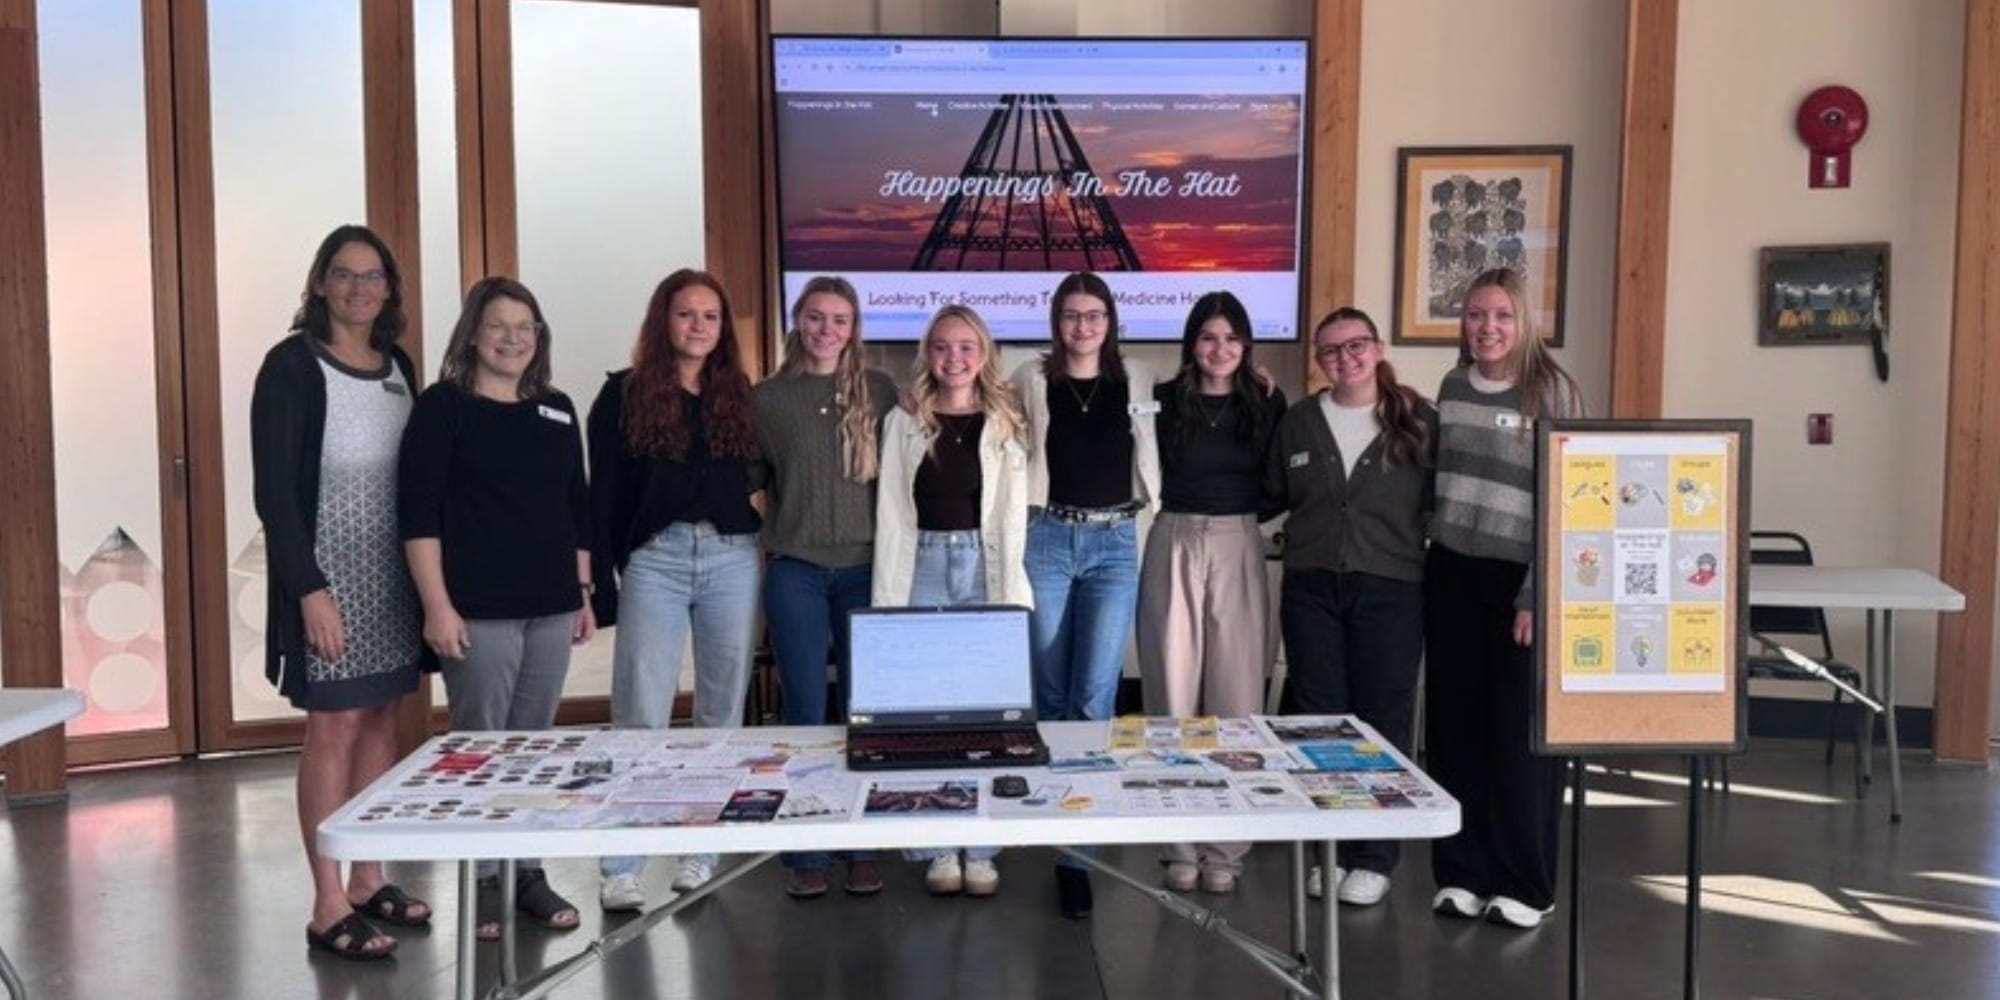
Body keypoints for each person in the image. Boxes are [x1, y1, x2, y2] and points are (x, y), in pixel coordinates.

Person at [251, 224, 430, 961]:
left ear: (389, 289)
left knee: (384, 717)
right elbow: (275, 496)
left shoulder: (399, 365)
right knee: (334, 726)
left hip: (393, 577)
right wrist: (310, 590)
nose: (360, 288)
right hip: (327, 579)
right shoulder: (292, 367)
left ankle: (367, 877)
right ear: (321, 283)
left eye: (373, 276)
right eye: (345, 274)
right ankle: (327, 904)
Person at [398, 276, 592, 939]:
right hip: (477, 610)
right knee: (481, 749)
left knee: (531, 749)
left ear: (539, 338)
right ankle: (482, 883)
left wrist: (583, 594)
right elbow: (418, 516)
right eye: (499, 325)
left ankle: (526, 875)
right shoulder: (443, 408)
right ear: (473, 335)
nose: (513, 338)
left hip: (550, 607)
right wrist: (437, 608)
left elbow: (576, 508)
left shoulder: (559, 409)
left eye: (525, 326)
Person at [588, 269, 763, 912]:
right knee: (640, 714)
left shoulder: (739, 394)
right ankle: (622, 865)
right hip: (654, 562)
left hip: (731, 560)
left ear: (722, 329)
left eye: (711, 317)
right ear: (664, 320)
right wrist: (602, 584)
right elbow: (601, 493)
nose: (698, 326)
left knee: (720, 714)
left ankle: (700, 852)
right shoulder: (624, 395)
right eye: (686, 314)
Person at [1425, 267, 1583, 929]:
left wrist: (1534, 595)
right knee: (1455, 731)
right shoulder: (1452, 386)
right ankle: (1462, 873)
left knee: (1516, 739)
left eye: (1501, 316)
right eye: (1475, 315)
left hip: (1516, 583)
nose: (1486, 328)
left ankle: (1526, 881)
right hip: (1452, 574)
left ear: (1523, 322)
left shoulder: (1553, 392)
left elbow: (1568, 502)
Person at [1269, 307, 1435, 907]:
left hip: (1391, 588)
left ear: (1379, 347)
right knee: (1320, 721)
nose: (1346, 358)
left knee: (1383, 719)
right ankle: (1330, 849)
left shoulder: (1417, 420)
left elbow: (1442, 500)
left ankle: (1375, 854)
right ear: (1320, 361)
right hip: (1312, 588)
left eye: (1356, 345)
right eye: (1331, 351)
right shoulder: (1299, 423)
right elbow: (1272, 494)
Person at [1011, 271, 1161, 918]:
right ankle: (1051, 818)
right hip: (1046, 537)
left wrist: (1261, 382)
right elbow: (972, 403)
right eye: (1071, 316)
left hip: (1114, 544)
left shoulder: (1141, 380)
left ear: (1111, 320)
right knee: (1047, 687)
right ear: (1056, 321)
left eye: (1093, 315)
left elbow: (1216, 384)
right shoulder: (1028, 379)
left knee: (1095, 693)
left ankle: (1079, 853)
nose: (1082, 326)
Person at [875, 304, 1032, 898]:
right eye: (942, 347)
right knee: (923, 709)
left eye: (966, 347)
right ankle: (938, 843)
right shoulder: (904, 420)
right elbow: (891, 507)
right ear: (927, 354)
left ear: (984, 353)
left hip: (983, 566)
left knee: (986, 710)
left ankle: (984, 847)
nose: (954, 358)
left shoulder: (1006, 419)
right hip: (921, 566)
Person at [1137, 291, 1286, 896]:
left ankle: (1226, 847)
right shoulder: (1164, 400)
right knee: (1169, 695)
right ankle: (1177, 844)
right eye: (1207, 337)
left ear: (1246, 344)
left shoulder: (1268, 403)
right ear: (1191, 343)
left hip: (1239, 541)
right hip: (1171, 537)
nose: (1219, 349)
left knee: (1237, 698)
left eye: (1230, 338)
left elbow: (1281, 482)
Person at [754, 277, 897, 899]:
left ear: (854, 327)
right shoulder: (766, 400)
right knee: (806, 710)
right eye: (816, 318)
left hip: (867, 569)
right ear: (798, 321)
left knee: (865, 712)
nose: (827, 330)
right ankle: (807, 849)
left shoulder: (881, 391)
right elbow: (752, 481)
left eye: (840, 320)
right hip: (796, 572)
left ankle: (861, 841)